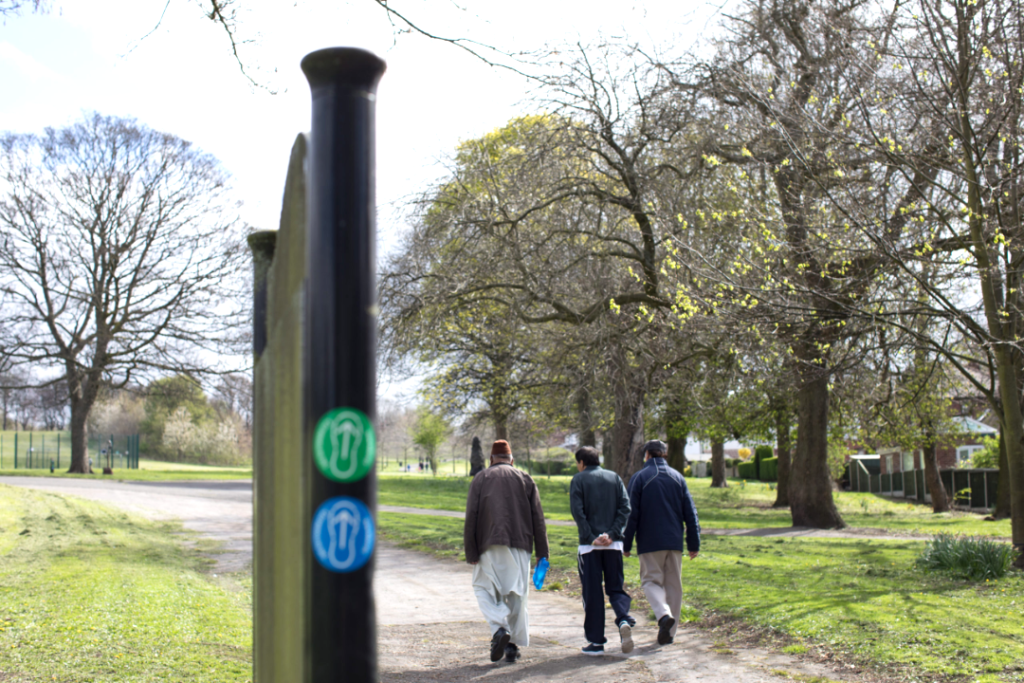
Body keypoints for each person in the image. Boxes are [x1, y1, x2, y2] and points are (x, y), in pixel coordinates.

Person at [464, 439, 549, 664]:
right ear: (512, 459)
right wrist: (543, 551)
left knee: (483, 587)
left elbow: (471, 515)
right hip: (520, 543)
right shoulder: (525, 478)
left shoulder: (480, 478)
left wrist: (471, 551)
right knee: (517, 595)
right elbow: (537, 518)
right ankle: (512, 647)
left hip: (488, 542)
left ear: (490, 459)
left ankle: (500, 628)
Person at [623, 439, 700, 646]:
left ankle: (663, 615)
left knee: (650, 581)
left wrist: (626, 543)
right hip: (674, 541)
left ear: (646, 455)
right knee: (674, 586)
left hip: (649, 541)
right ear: (664, 454)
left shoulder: (640, 478)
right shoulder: (678, 478)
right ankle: (670, 633)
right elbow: (690, 513)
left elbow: (632, 515)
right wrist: (694, 543)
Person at [569, 446, 635, 656]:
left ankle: (596, 642)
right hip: (613, 546)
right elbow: (625, 507)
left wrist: (591, 537)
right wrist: (613, 534)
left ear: (581, 462)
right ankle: (623, 618)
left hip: (590, 548)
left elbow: (578, 512)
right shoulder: (614, 478)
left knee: (593, 592)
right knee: (615, 588)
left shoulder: (578, 480)